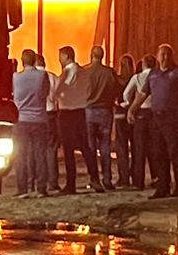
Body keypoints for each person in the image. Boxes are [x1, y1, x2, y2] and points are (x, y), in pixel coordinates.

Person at [132, 43, 178, 198]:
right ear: (157, 56)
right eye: (162, 54)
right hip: (156, 118)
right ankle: (163, 187)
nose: (165, 57)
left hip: (172, 118)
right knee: (158, 153)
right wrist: (132, 109)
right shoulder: (153, 75)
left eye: (168, 54)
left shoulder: (177, 72)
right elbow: (142, 94)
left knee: (175, 153)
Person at [50, 45, 105, 194]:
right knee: (86, 148)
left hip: (67, 114)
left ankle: (70, 184)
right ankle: (95, 179)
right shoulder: (84, 72)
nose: (59, 59)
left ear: (67, 56)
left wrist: (58, 97)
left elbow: (56, 93)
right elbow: (88, 90)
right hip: (81, 112)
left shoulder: (67, 73)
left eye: (61, 56)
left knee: (68, 150)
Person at [11, 49, 52, 198]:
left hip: (21, 120)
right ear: (35, 60)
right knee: (40, 154)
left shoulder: (15, 77)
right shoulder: (42, 75)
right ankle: (41, 188)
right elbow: (46, 93)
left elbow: (13, 95)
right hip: (39, 119)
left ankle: (23, 189)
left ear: (22, 61)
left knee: (21, 154)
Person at [84, 44, 120, 190]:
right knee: (105, 146)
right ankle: (107, 178)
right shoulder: (109, 72)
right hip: (105, 111)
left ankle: (94, 178)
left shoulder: (85, 72)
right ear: (103, 56)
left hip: (89, 112)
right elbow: (116, 89)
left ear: (91, 55)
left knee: (90, 146)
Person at [114, 55, 142, 188]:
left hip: (120, 115)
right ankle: (136, 177)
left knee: (122, 147)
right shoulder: (136, 78)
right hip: (134, 116)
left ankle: (124, 178)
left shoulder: (117, 80)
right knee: (135, 147)